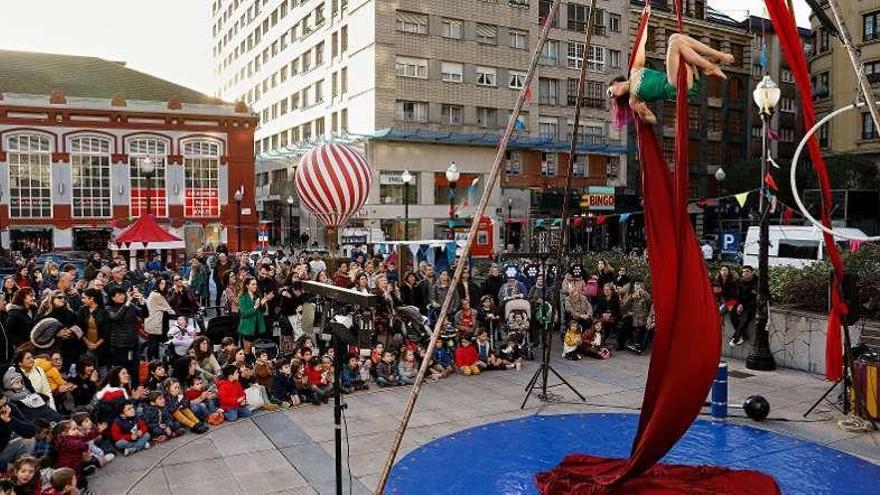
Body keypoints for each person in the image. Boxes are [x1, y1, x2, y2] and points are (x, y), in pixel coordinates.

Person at [607, 4, 734, 125]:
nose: (612, 96)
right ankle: (711, 64)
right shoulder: (633, 100)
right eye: (612, 98)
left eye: (609, 92)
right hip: (674, 87)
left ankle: (717, 56)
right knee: (674, 44)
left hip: (682, 76)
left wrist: (645, 19)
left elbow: (641, 43)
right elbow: (653, 119)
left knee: (674, 37)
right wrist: (644, 115)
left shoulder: (635, 70)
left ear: (614, 83)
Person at [105, 287, 148, 387]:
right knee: (120, 372)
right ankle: (121, 392)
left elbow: (144, 314)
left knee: (135, 370)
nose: (122, 296)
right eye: (119, 295)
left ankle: (135, 392)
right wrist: (127, 303)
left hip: (134, 344)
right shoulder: (109, 308)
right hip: (119, 346)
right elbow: (116, 318)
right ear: (112, 298)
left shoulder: (131, 305)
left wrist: (142, 302)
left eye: (123, 294)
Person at [144, 278, 175, 361]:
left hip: (152, 322)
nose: (163, 286)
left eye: (164, 284)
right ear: (157, 284)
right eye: (161, 284)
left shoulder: (153, 293)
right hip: (155, 323)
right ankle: (152, 362)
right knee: (153, 345)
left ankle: (153, 361)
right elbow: (169, 309)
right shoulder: (157, 295)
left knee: (154, 344)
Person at [76, 288, 108, 367]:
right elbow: (79, 328)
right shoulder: (82, 310)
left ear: (91, 298)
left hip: (101, 347)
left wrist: (97, 344)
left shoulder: (103, 311)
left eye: (84, 298)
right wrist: (88, 343)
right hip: (84, 346)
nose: (82, 300)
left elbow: (106, 331)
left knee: (101, 369)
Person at [238, 276, 268, 356]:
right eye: (253, 284)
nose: (255, 286)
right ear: (247, 286)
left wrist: (262, 305)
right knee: (247, 352)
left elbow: (262, 311)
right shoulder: (243, 297)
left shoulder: (257, 296)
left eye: (256, 284)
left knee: (256, 351)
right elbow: (244, 313)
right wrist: (255, 307)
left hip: (257, 326)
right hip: (247, 327)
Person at [730, 265, 758, 347]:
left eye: (747, 271)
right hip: (742, 303)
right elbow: (737, 294)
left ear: (752, 273)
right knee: (732, 312)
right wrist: (739, 304)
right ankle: (743, 336)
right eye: (744, 271)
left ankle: (736, 337)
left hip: (752, 304)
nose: (745, 273)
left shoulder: (757, 281)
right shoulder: (739, 281)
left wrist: (744, 304)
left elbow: (755, 296)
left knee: (745, 318)